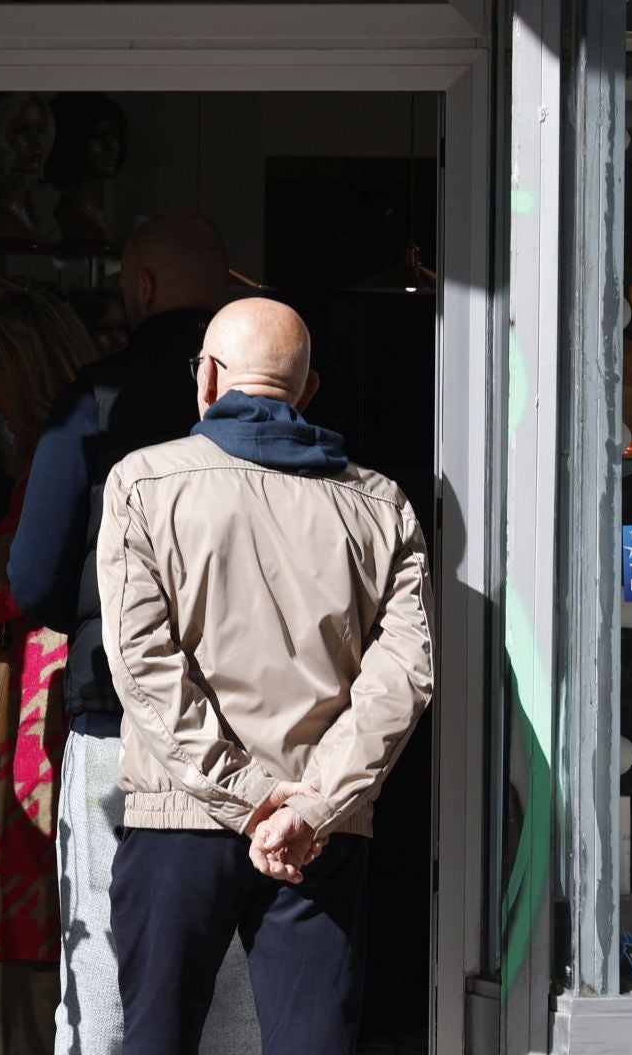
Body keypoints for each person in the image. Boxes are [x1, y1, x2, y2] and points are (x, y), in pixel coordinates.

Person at [97, 298, 435, 1055]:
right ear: (307, 389)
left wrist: (252, 801)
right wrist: (308, 804)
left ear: (207, 379)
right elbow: (403, 677)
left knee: (157, 1041)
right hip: (320, 834)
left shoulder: (143, 484)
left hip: (180, 819)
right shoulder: (382, 508)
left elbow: (144, 668)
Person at [7, 212, 252, 1055]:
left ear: (139, 287)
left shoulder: (97, 397)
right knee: (230, 984)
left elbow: (34, 576)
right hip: (254, 728)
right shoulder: (280, 416)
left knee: (105, 966)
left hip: (118, 714)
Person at [0, 290, 98, 1055]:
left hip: (48, 699)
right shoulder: (72, 448)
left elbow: (2, 583)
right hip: (54, 692)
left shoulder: (51, 458)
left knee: (34, 870)